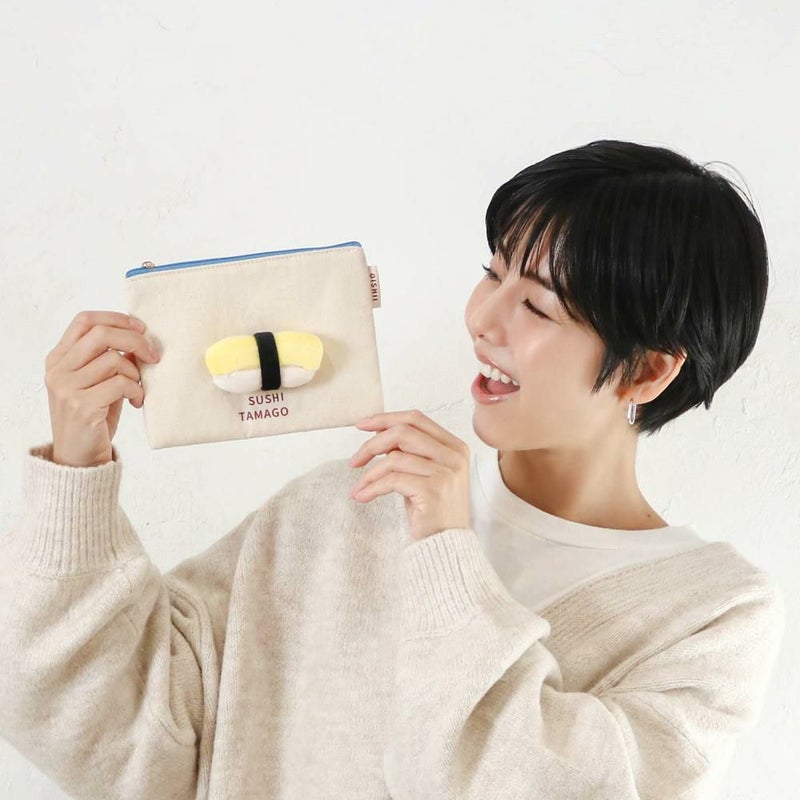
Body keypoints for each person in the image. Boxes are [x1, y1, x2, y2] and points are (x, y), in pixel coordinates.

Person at [0, 139, 785, 799]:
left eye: (537, 307)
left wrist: (444, 551)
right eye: (492, 274)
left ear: (645, 372)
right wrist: (78, 468)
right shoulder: (352, 502)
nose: (482, 319)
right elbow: (119, 733)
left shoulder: (709, 616)